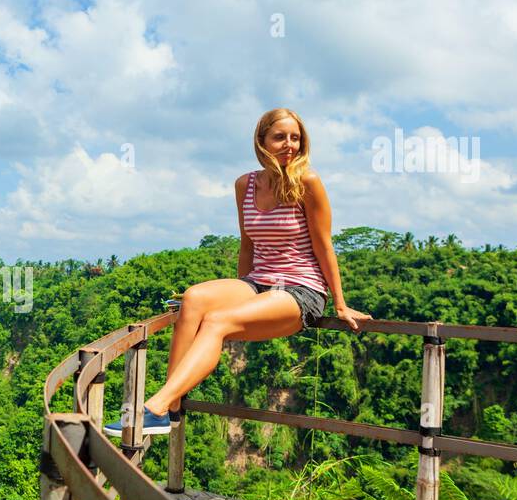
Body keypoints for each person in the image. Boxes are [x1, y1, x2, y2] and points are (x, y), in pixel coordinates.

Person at [105, 108, 372, 437]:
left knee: (217, 322)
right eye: (280, 137)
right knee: (194, 298)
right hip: (258, 281)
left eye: (295, 137)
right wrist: (240, 290)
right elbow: (247, 244)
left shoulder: (308, 182)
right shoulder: (245, 184)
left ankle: (155, 407)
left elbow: (324, 246)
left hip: (301, 289)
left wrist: (340, 305)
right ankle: (170, 409)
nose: (289, 144)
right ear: (262, 142)